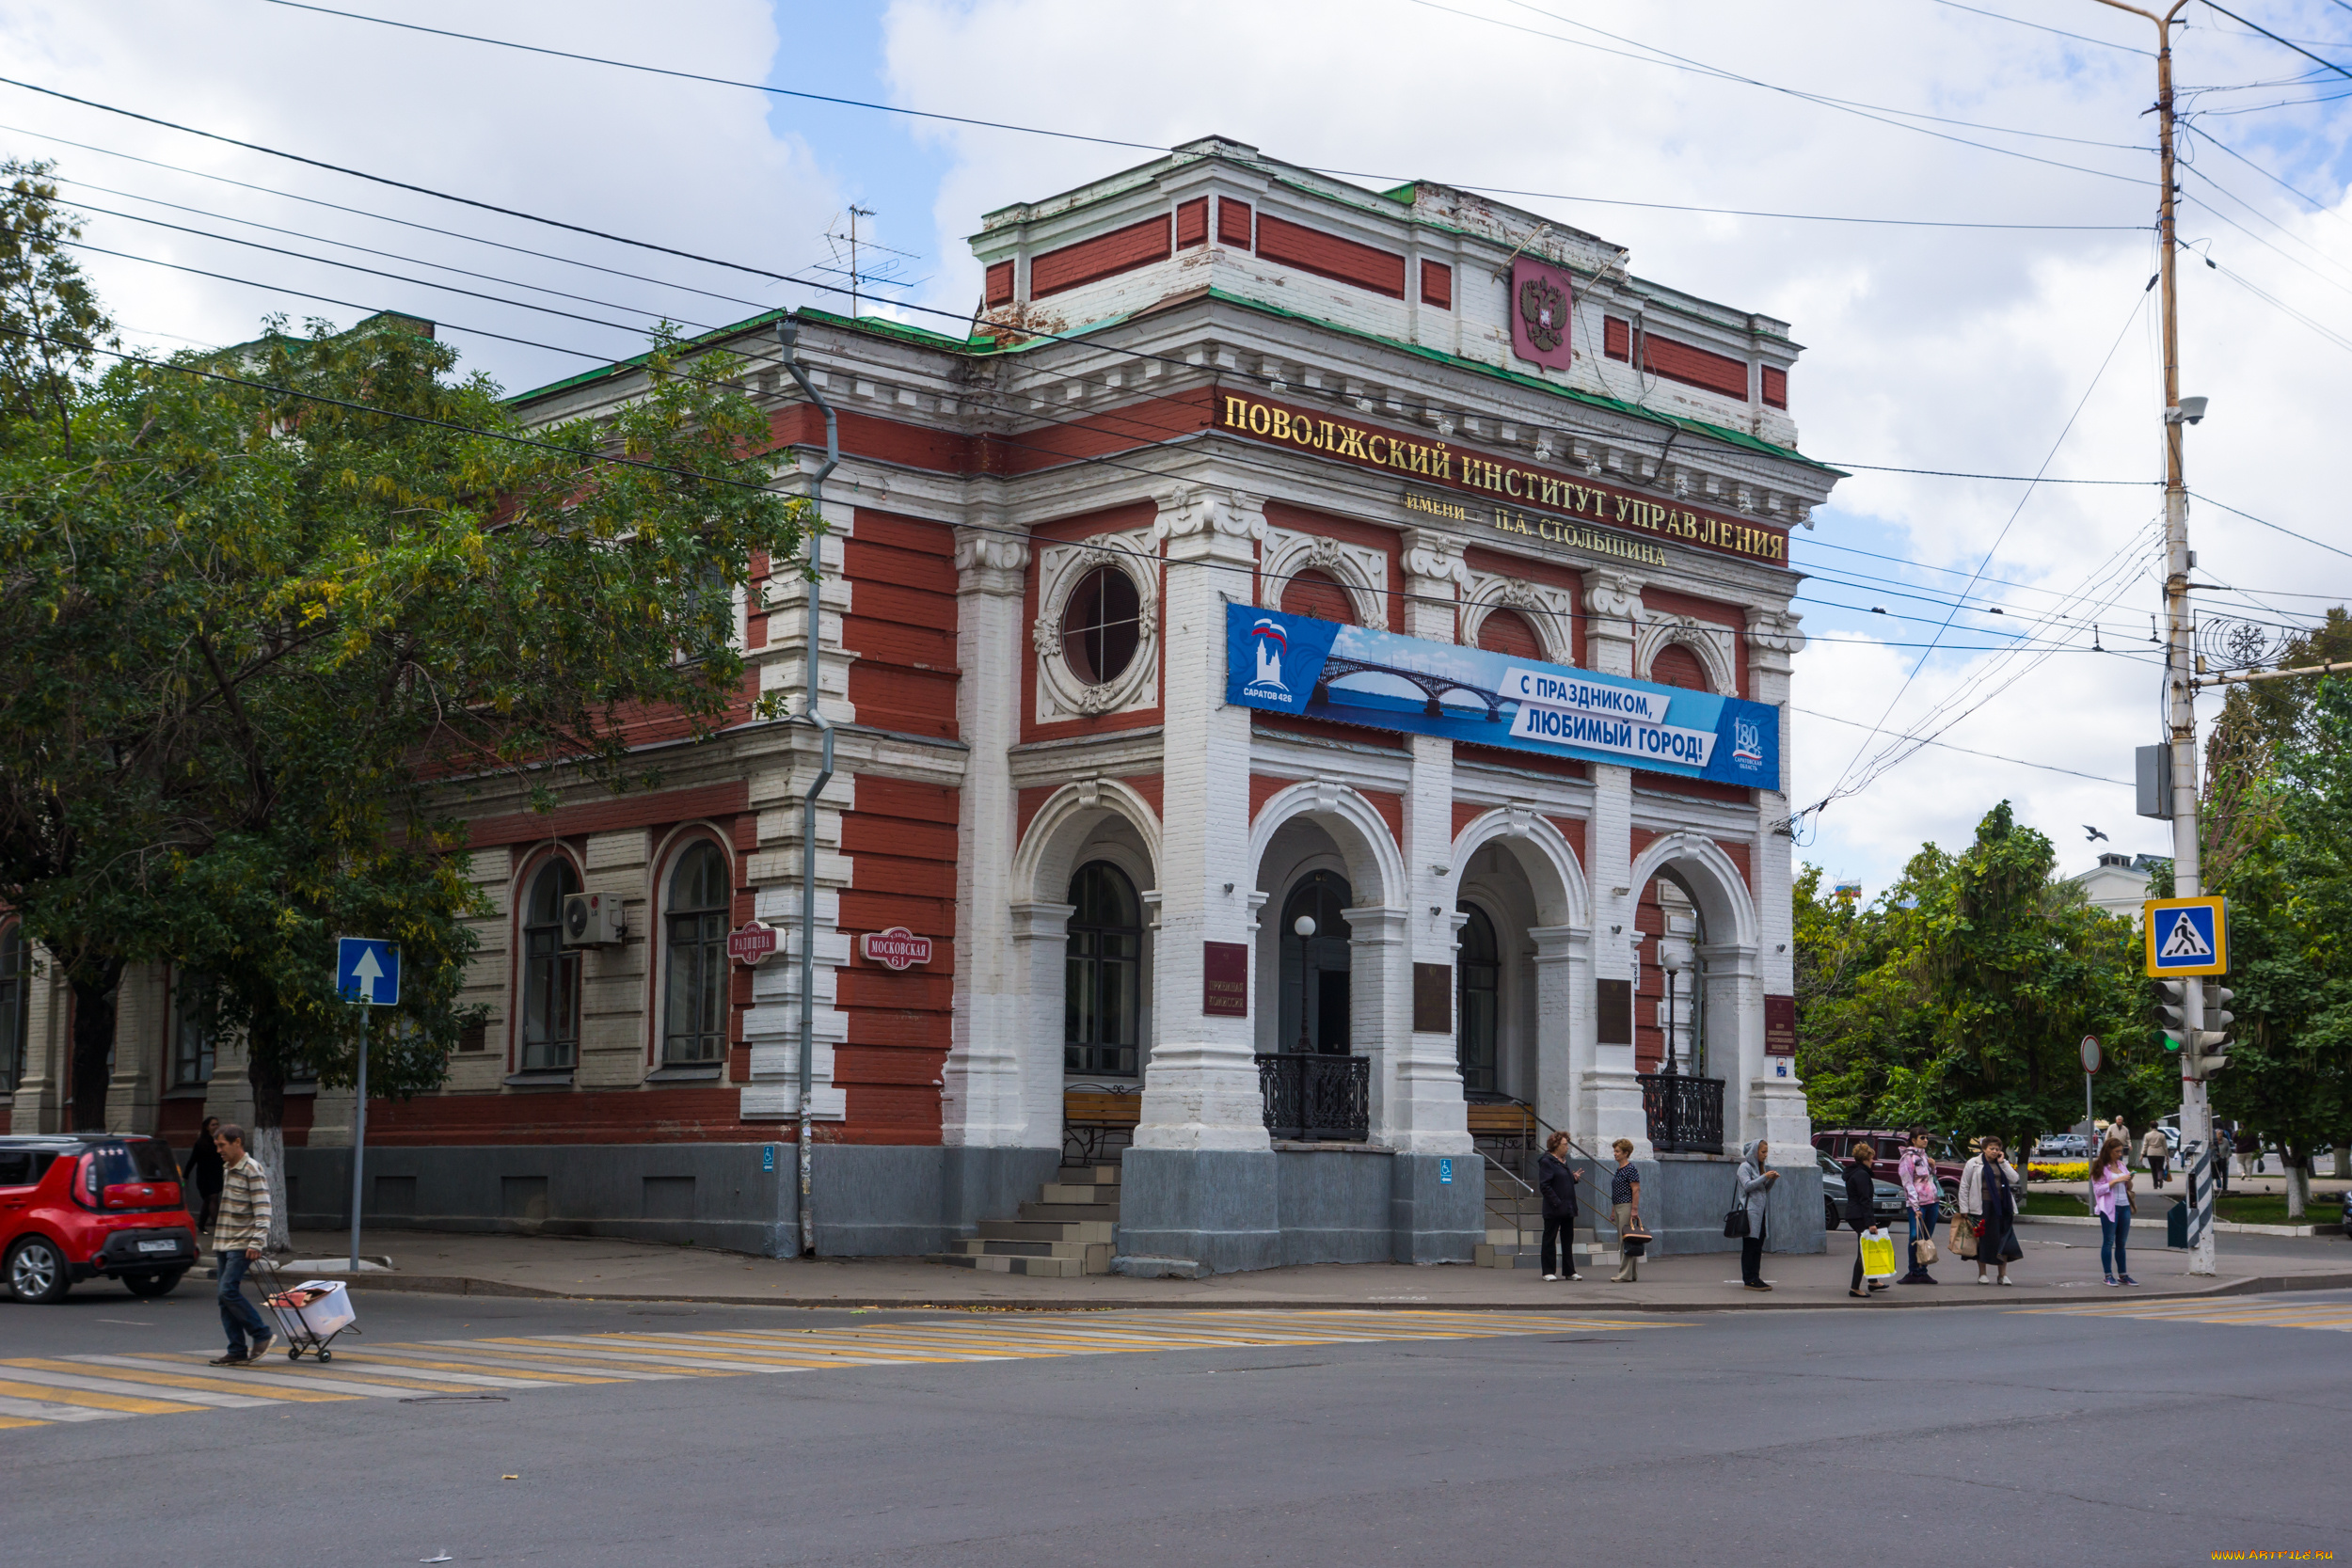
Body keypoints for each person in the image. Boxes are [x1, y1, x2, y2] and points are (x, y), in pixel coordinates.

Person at [208, 1123, 276, 1367]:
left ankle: (262, 1334)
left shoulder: (252, 1169)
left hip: (243, 1243)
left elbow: (263, 1209)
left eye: (222, 1145)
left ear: (237, 1142)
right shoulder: (229, 1168)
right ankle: (236, 1349)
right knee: (223, 1297)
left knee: (228, 1291)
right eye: (216, 1145)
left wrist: (257, 1242)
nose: (218, 1150)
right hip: (224, 1242)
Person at [1961, 1137, 2024, 1286]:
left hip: (2002, 1207)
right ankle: (1982, 1274)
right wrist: (1964, 1208)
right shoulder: (1974, 1163)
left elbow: (2015, 1179)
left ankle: (2003, 1275)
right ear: (1984, 1149)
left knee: (2003, 1239)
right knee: (1982, 1240)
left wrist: (2003, 1163)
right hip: (1981, 1206)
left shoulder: (2001, 1163)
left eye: (1997, 1149)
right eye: (1991, 1148)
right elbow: (1964, 1186)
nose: (1994, 1151)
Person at [1536, 1131, 1585, 1282]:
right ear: (1556, 1145)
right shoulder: (1547, 1161)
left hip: (1568, 1207)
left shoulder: (1562, 1161)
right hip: (1554, 1208)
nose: (1567, 1148)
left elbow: (1561, 1180)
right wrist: (1557, 1202)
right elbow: (1545, 1186)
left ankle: (1569, 1271)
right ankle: (1548, 1271)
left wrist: (1573, 1178)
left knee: (1567, 1240)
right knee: (1549, 1239)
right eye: (1565, 1145)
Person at [1897, 1129, 1941, 1285]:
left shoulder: (1924, 1155)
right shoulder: (1908, 1158)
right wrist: (1915, 1207)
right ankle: (1913, 1271)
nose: (1926, 1140)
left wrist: (1933, 1168)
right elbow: (1907, 1183)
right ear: (1913, 1140)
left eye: (1927, 1138)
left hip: (1932, 1201)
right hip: (1918, 1204)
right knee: (1915, 1237)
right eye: (1922, 1138)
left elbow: (1930, 1178)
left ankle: (1923, 1271)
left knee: (1926, 1238)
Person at [1734, 1138, 1779, 1291]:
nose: (1765, 1155)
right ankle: (1749, 1279)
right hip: (1750, 1214)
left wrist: (1771, 1180)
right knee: (1750, 1246)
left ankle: (1756, 1277)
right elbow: (1747, 1186)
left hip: (1760, 1214)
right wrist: (1765, 1176)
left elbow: (1763, 1190)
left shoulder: (1760, 1168)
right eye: (1763, 1152)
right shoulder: (1744, 1167)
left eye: (1766, 1152)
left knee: (1758, 1246)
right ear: (1755, 1152)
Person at [2091, 1136, 2137, 1287]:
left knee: (2121, 1243)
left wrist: (2129, 1178)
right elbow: (2098, 1190)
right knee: (2108, 1241)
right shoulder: (2100, 1166)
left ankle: (2123, 1275)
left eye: (2121, 1151)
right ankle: (2108, 1275)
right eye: (2117, 1151)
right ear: (2108, 1151)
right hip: (2109, 1208)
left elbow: (2128, 1187)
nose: (2119, 1154)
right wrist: (2114, 1182)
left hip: (2124, 1206)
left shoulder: (2121, 1165)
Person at [1843, 1140, 1883, 1299]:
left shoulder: (1854, 1172)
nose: (1873, 1161)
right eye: (1872, 1158)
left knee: (1868, 1247)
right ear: (1866, 1158)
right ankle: (1854, 1287)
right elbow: (1865, 1200)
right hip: (1859, 1215)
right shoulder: (1861, 1175)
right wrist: (1871, 1223)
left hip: (1854, 1214)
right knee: (1863, 1252)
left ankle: (1873, 1281)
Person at [181, 1115, 225, 1234]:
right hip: (204, 1176)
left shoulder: (220, 1141)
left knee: (208, 1200)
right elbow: (192, 1160)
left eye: (217, 1124)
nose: (216, 1126)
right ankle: (218, 1227)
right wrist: (185, 1175)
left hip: (217, 1175)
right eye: (213, 1124)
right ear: (207, 1127)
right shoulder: (201, 1142)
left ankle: (201, 1225)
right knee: (213, 1197)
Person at [1607, 1139, 1643, 1283]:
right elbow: (1616, 1191)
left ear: (1626, 1153)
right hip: (1619, 1206)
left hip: (1627, 1206)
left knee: (1625, 1241)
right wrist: (1613, 1210)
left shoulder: (1630, 1169)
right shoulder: (1620, 1169)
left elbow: (1636, 1189)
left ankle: (1624, 1274)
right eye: (1615, 1151)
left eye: (1617, 1151)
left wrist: (1634, 1209)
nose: (1615, 1154)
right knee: (1628, 1240)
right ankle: (1632, 1273)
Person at [2141, 1125, 2170, 1190]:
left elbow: (2145, 1145)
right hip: (2160, 1153)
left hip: (2151, 1153)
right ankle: (2159, 1177)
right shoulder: (2162, 1135)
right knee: (2160, 1168)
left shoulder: (2147, 1135)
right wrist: (2167, 1155)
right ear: (2157, 1127)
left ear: (2151, 1127)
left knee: (2153, 1169)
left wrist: (2142, 1154)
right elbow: (2165, 1146)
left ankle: (2155, 1184)